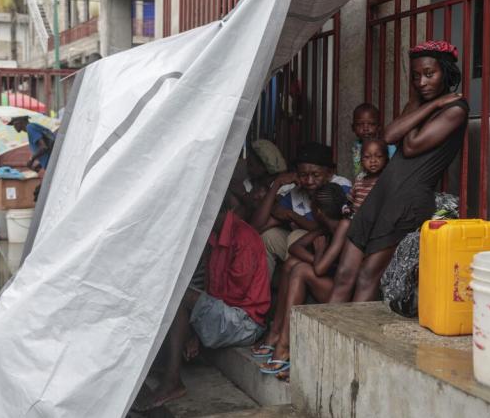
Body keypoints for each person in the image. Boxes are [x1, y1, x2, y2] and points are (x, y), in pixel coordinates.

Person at [329, 40, 469, 303]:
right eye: (416, 76)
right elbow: (389, 136)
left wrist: (432, 106)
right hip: (382, 192)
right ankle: (323, 344)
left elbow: (412, 145)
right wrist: (426, 103)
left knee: (367, 276)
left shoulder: (456, 109)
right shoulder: (429, 105)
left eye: (429, 74)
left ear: (446, 73)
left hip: (408, 200)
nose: (422, 82)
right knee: (345, 272)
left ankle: (357, 340)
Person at [136, 196, 270, 410]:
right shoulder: (214, 236)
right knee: (173, 290)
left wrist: (198, 326)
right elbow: (212, 290)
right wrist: (198, 328)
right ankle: (166, 368)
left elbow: (233, 297)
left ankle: (172, 380)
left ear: (221, 211)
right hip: (226, 313)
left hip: (245, 322)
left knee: (178, 294)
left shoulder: (243, 238)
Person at [254, 184, 351, 379]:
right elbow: (296, 248)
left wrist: (320, 252)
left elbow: (320, 268)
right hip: (328, 283)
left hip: (345, 295)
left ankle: (284, 345)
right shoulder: (325, 227)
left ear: (318, 211)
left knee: (300, 270)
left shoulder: (344, 226)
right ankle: (277, 333)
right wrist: (317, 257)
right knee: (291, 264)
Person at [250, 142, 351, 274]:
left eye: (315, 175)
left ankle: (295, 282)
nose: (309, 181)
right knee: (268, 236)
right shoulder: (296, 192)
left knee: (296, 235)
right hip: (307, 249)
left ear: (329, 173)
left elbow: (329, 227)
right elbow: (256, 227)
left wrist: (292, 215)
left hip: (330, 250)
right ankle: (261, 293)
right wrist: (277, 184)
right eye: (303, 175)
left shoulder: (339, 186)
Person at [350, 103, 396, 177]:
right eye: (360, 124)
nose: (365, 128)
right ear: (353, 128)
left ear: (379, 127)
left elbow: (393, 171)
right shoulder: (356, 146)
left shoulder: (387, 146)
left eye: (371, 124)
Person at [346, 138, 389, 216]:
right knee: (344, 223)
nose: (373, 160)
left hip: (376, 221)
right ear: (361, 160)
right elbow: (350, 201)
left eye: (378, 156)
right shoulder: (358, 181)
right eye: (367, 157)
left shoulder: (386, 181)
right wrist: (347, 210)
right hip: (356, 219)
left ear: (386, 159)